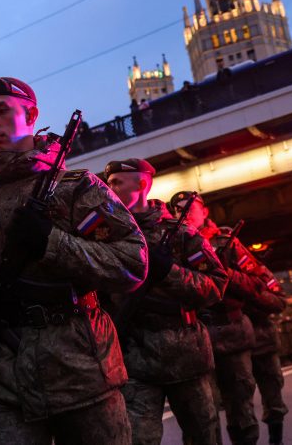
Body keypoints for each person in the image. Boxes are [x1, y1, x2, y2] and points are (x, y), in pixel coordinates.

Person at [0, 76, 147, 444]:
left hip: (84, 372)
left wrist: (51, 242)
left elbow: (132, 263)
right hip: (5, 377)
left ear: (31, 115)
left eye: (0, 111)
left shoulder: (77, 188)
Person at [104, 160, 227, 445]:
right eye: (109, 183)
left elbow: (216, 286)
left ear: (142, 184)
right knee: (138, 439)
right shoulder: (107, 234)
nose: (109, 189)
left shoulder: (182, 233)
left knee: (203, 435)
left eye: (117, 182)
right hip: (134, 356)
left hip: (186, 355)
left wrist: (169, 273)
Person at [170, 190, 269, 445]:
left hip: (231, 333)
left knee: (242, 411)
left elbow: (258, 284)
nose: (184, 212)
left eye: (190, 208)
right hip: (193, 339)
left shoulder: (227, 242)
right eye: (178, 209)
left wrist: (225, 273)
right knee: (201, 417)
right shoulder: (171, 243)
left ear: (204, 212)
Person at [241, 246, 288, 445]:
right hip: (236, 346)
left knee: (274, 401)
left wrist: (253, 293)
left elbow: (279, 301)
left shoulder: (258, 272)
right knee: (240, 406)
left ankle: (276, 441)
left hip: (264, 343)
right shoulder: (223, 270)